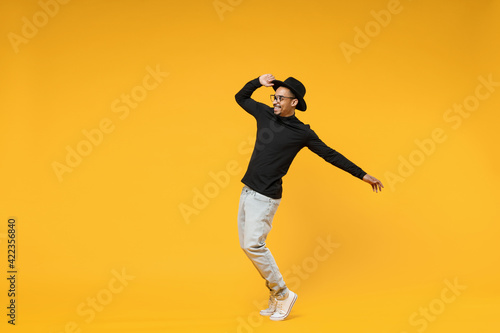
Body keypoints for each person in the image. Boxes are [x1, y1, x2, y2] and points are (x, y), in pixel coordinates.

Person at [235, 74, 384, 321]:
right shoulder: (264, 114)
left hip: (265, 196)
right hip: (248, 190)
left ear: (294, 103)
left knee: (254, 245)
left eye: (281, 98)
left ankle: (283, 293)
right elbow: (240, 97)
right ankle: (275, 293)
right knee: (247, 246)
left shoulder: (302, 133)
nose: (275, 101)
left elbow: (330, 154)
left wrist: (362, 174)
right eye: (275, 96)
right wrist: (257, 81)